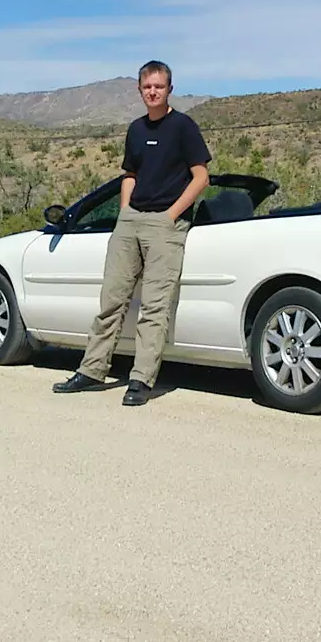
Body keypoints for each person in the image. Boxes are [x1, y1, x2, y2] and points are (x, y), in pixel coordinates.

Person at [53, 60, 211, 406]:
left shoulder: (184, 127)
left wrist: (171, 215)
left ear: (170, 88)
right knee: (111, 300)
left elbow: (201, 177)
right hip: (131, 221)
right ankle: (92, 370)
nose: (153, 92)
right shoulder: (136, 130)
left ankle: (141, 380)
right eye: (147, 87)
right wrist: (125, 212)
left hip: (165, 224)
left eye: (159, 86)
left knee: (154, 307)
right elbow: (130, 173)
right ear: (139, 90)